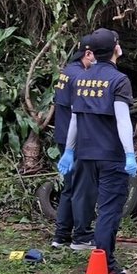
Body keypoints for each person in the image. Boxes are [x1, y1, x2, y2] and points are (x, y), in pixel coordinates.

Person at [57, 28, 137, 274]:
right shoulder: (119, 80)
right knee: (108, 211)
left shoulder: (81, 78)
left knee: (91, 202)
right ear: (115, 48)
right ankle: (106, 266)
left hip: (85, 153)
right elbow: (123, 121)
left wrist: (69, 151)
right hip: (111, 155)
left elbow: (75, 119)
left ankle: (81, 243)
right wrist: (130, 154)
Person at [50, 36, 98, 250]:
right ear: (88, 54)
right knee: (82, 188)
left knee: (69, 187)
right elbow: (80, 112)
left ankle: (61, 236)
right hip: (75, 139)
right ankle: (82, 236)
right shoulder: (80, 76)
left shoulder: (66, 72)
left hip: (62, 137)